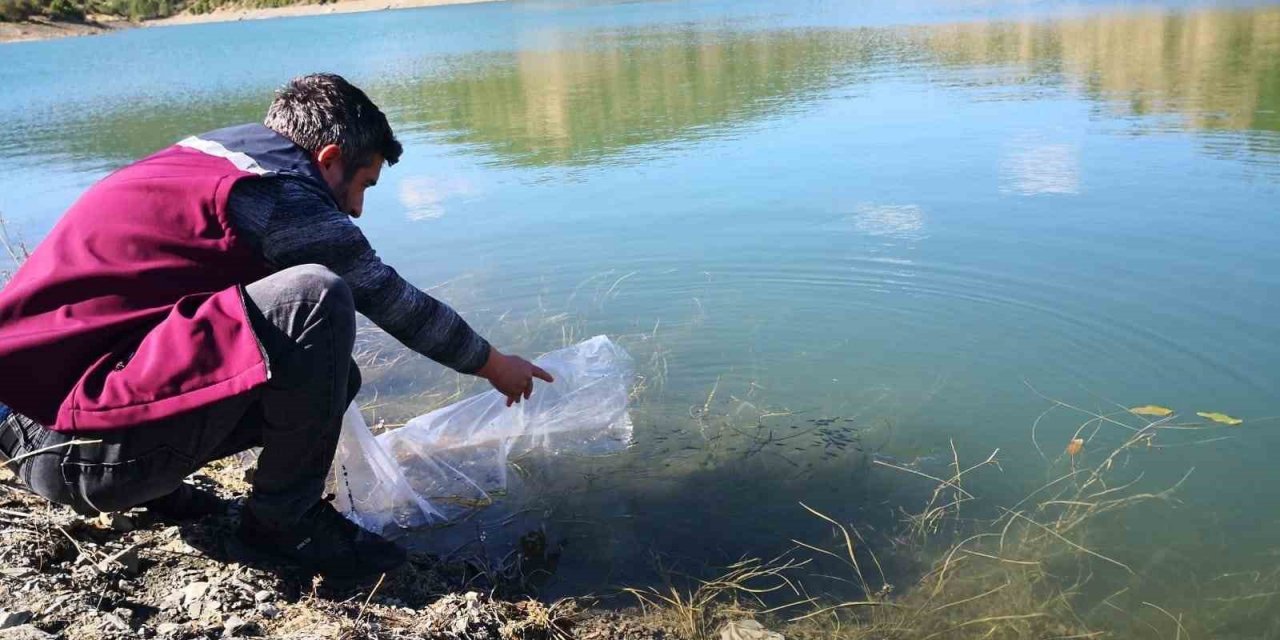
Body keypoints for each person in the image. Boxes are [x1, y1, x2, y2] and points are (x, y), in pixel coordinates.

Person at [0, 73, 553, 580]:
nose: (358, 208)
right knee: (315, 298)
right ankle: (285, 525)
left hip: (29, 425)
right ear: (329, 159)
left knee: (336, 372)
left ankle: (158, 488)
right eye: (364, 184)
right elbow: (389, 298)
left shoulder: (212, 158)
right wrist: (492, 363)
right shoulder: (281, 195)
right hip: (69, 452)